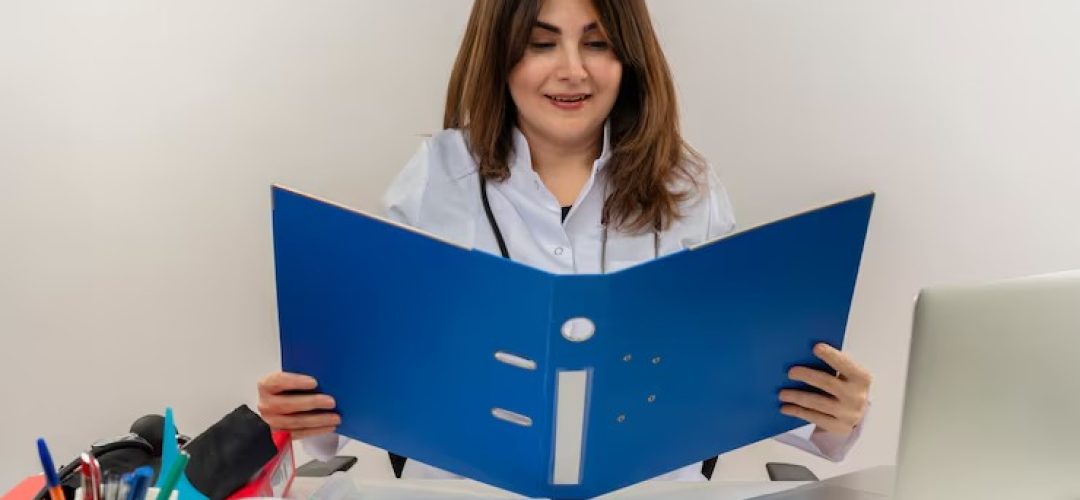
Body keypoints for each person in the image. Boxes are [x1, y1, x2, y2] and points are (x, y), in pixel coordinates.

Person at [257, 0, 872, 481]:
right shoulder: (434, 178)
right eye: (541, 43)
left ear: (629, 59)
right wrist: (304, 410)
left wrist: (835, 417)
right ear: (498, 56)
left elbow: (740, 369)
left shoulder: (688, 187)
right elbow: (374, 371)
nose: (572, 69)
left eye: (598, 43)